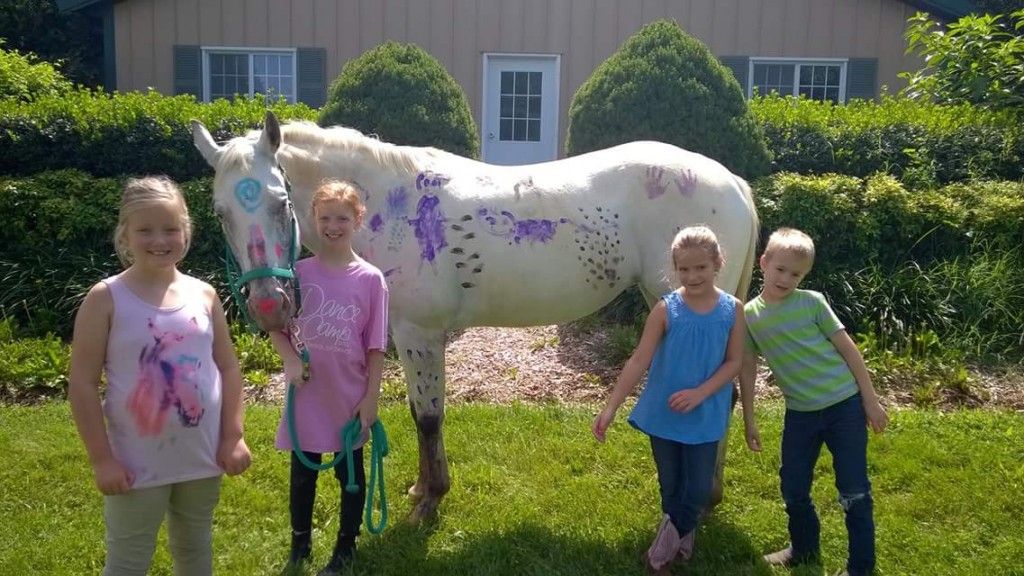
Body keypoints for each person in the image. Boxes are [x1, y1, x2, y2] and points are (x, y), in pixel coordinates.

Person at [69, 175, 251, 576]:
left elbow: (229, 366)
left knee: (194, 550)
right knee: (129, 560)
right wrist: (102, 460)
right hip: (134, 466)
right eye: (145, 230)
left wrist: (232, 436)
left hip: (201, 457)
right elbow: (81, 383)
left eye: (171, 228)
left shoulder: (203, 294)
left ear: (186, 231)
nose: (159, 239)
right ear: (125, 235)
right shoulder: (106, 298)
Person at [592, 225, 747, 573]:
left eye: (701, 268)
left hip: (705, 412)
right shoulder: (666, 309)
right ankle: (682, 536)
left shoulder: (732, 309)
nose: (693, 276)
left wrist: (701, 393)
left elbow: (735, 361)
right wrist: (611, 407)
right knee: (671, 486)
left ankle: (659, 554)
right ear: (675, 268)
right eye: (684, 269)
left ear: (718, 263)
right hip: (664, 412)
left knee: (697, 490)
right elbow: (638, 360)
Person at [740, 227, 888, 576]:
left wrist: (871, 400)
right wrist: (749, 420)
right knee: (792, 487)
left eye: (796, 274)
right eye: (780, 269)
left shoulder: (812, 302)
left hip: (844, 407)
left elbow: (849, 351)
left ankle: (860, 568)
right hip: (801, 414)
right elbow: (746, 371)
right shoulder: (749, 316)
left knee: (854, 492)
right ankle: (803, 549)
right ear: (764, 262)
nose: (786, 278)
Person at [269, 180, 389, 576]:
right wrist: (288, 357)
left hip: (347, 396)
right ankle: (299, 542)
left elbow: (376, 347)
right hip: (306, 396)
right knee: (303, 473)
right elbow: (275, 324)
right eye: (325, 218)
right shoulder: (297, 274)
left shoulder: (371, 280)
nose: (333, 226)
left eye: (342, 218)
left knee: (349, 474)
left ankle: (345, 547)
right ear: (313, 220)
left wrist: (371, 397)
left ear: (357, 220)